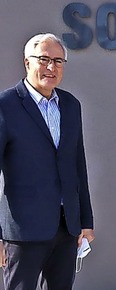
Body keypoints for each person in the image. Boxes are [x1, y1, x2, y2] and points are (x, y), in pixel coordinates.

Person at [0, 33, 95, 290]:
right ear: (27, 62)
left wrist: (85, 221)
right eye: (43, 59)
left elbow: (78, 165)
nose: (51, 67)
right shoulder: (5, 105)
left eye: (58, 61)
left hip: (66, 228)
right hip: (22, 232)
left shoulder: (70, 105)